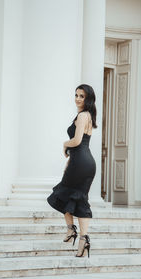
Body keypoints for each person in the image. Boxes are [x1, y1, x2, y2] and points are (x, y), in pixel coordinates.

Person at [47, 84, 97, 258]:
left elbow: (76, 141)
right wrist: (69, 162)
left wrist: (64, 144)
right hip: (84, 162)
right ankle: (83, 240)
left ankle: (71, 231)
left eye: (81, 96)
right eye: (76, 95)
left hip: (81, 162)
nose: (77, 98)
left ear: (88, 98)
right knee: (77, 198)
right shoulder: (87, 115)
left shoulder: (83, 115)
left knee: (61, 194)